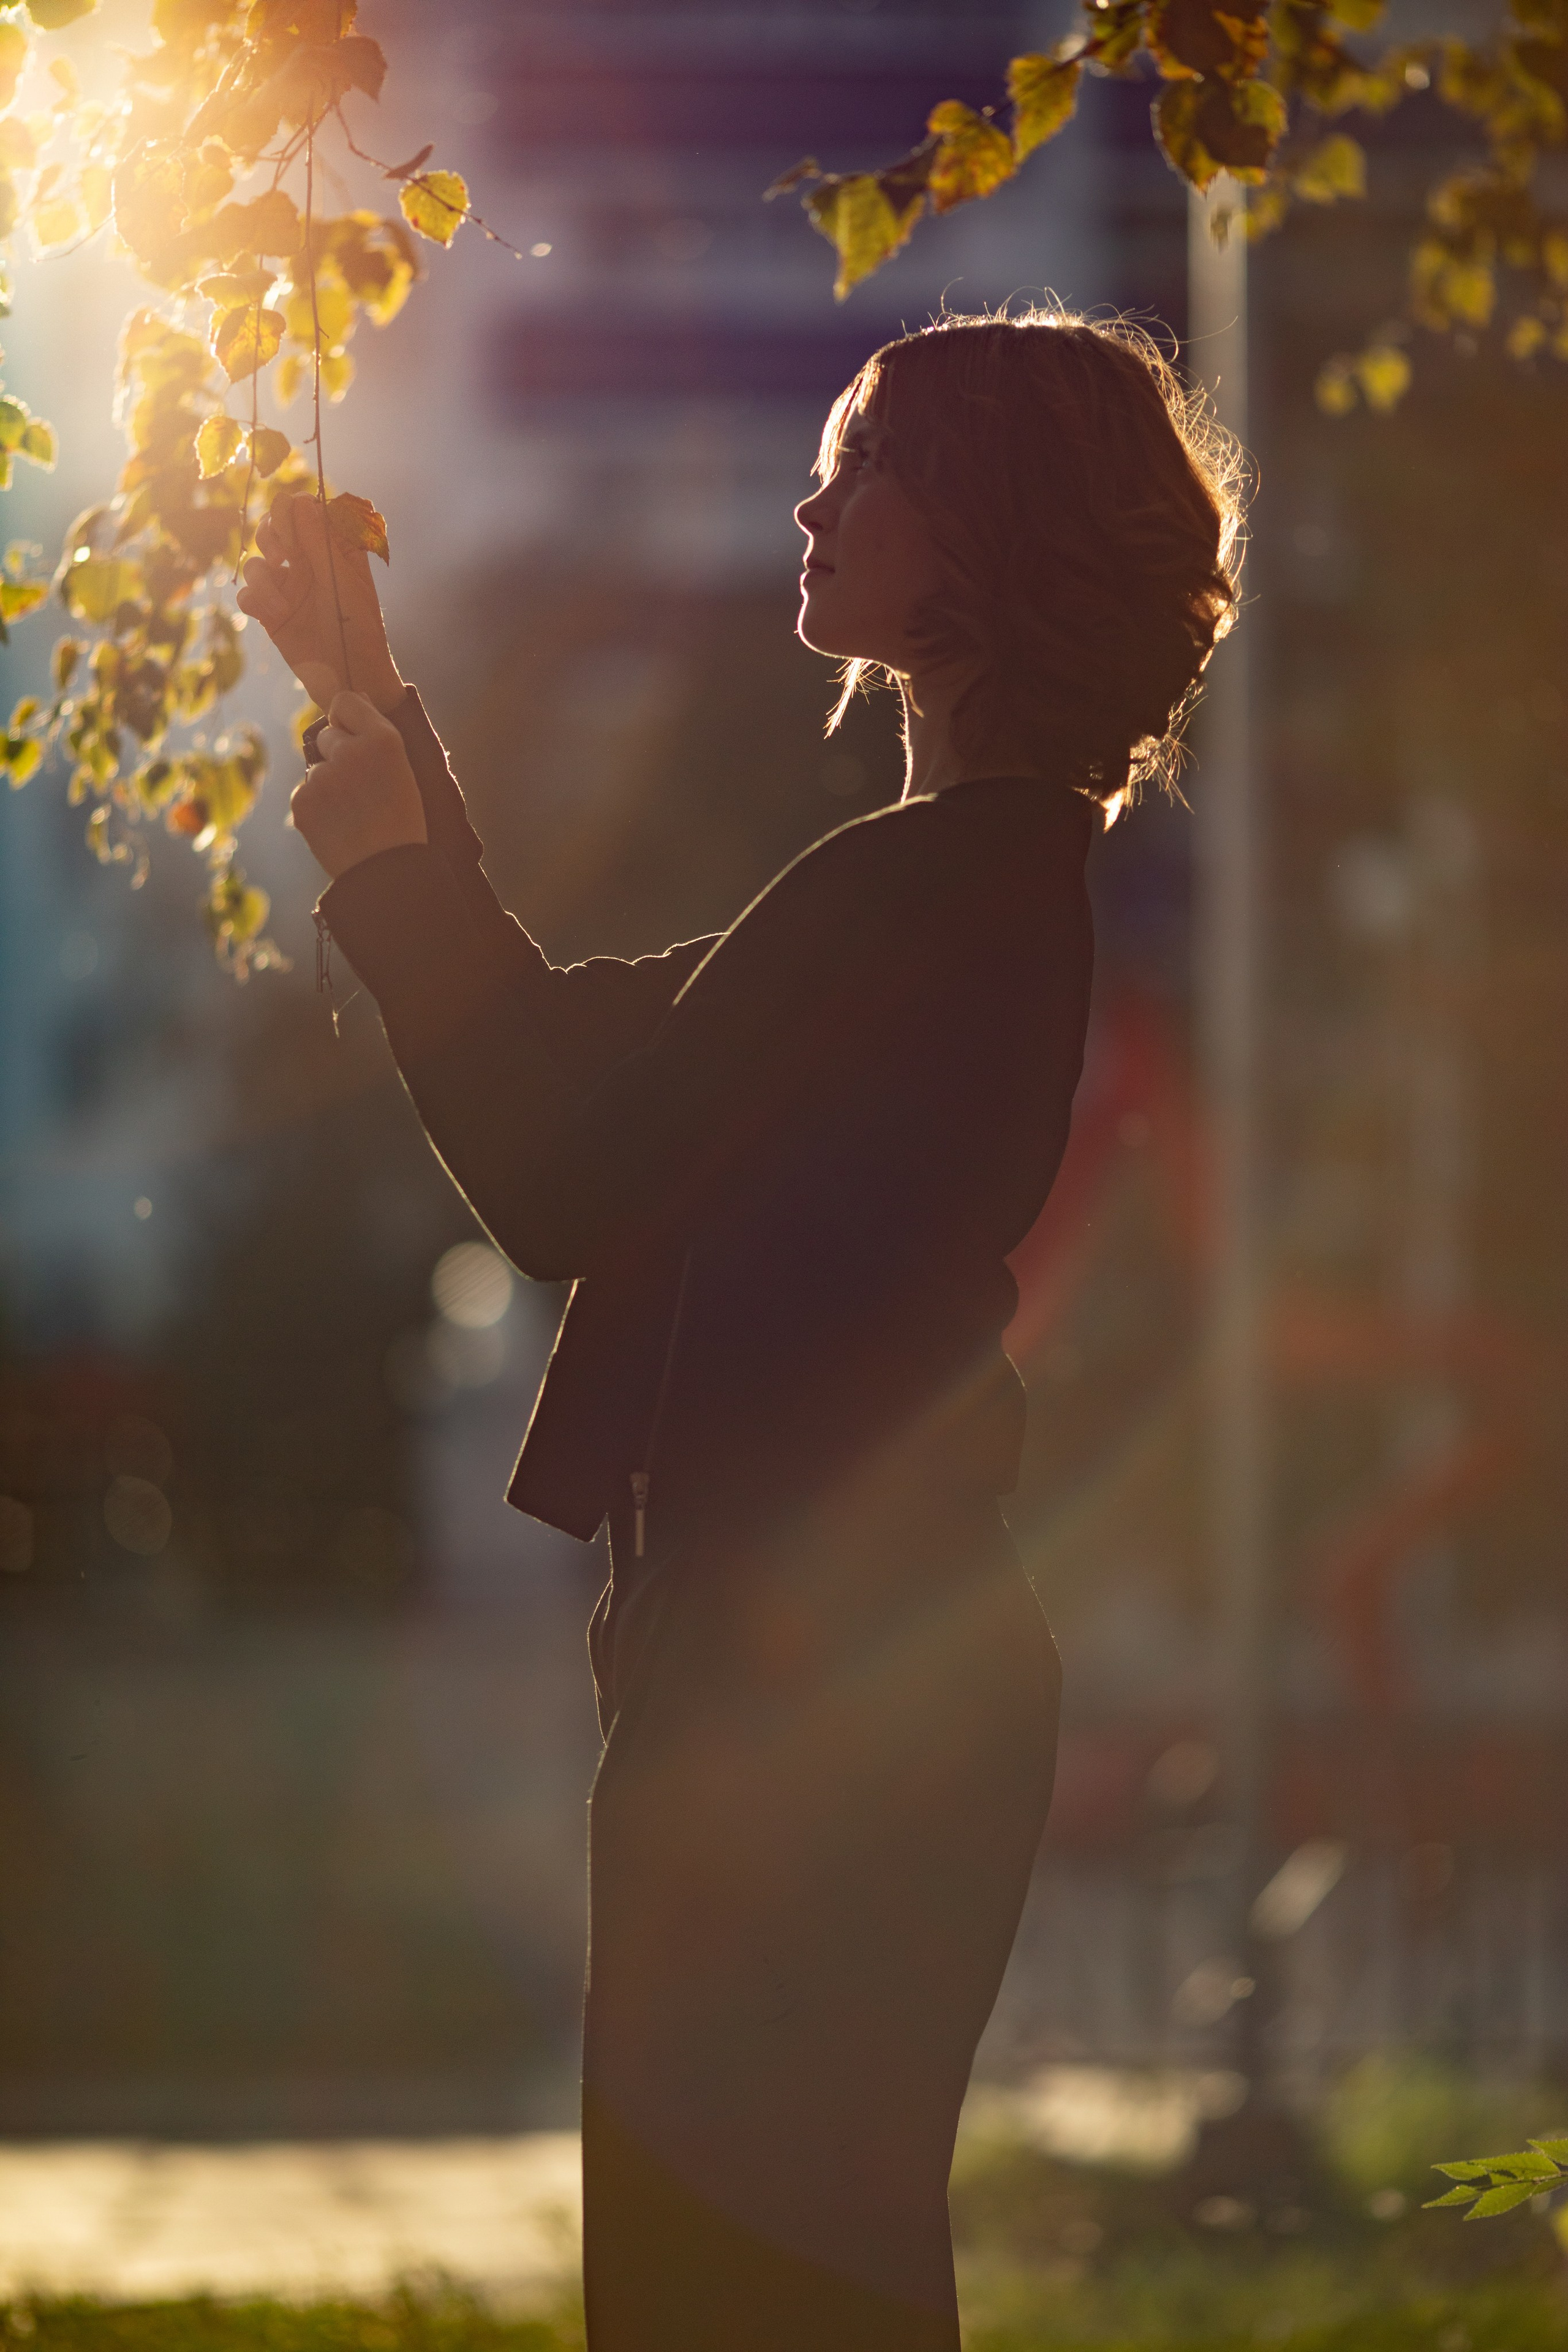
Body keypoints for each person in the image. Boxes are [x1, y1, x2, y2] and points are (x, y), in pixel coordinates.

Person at [238, 308, 1241, 2352]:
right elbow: (602, 1065)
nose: (811, 499)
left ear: (987, 529)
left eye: (861, 466)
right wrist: (380, 703)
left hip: (807, 1705)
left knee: (743, 2302)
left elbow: (565, 1173)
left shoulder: (924, 896)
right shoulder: (942, 886)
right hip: (840, 1683)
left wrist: (390, 886)